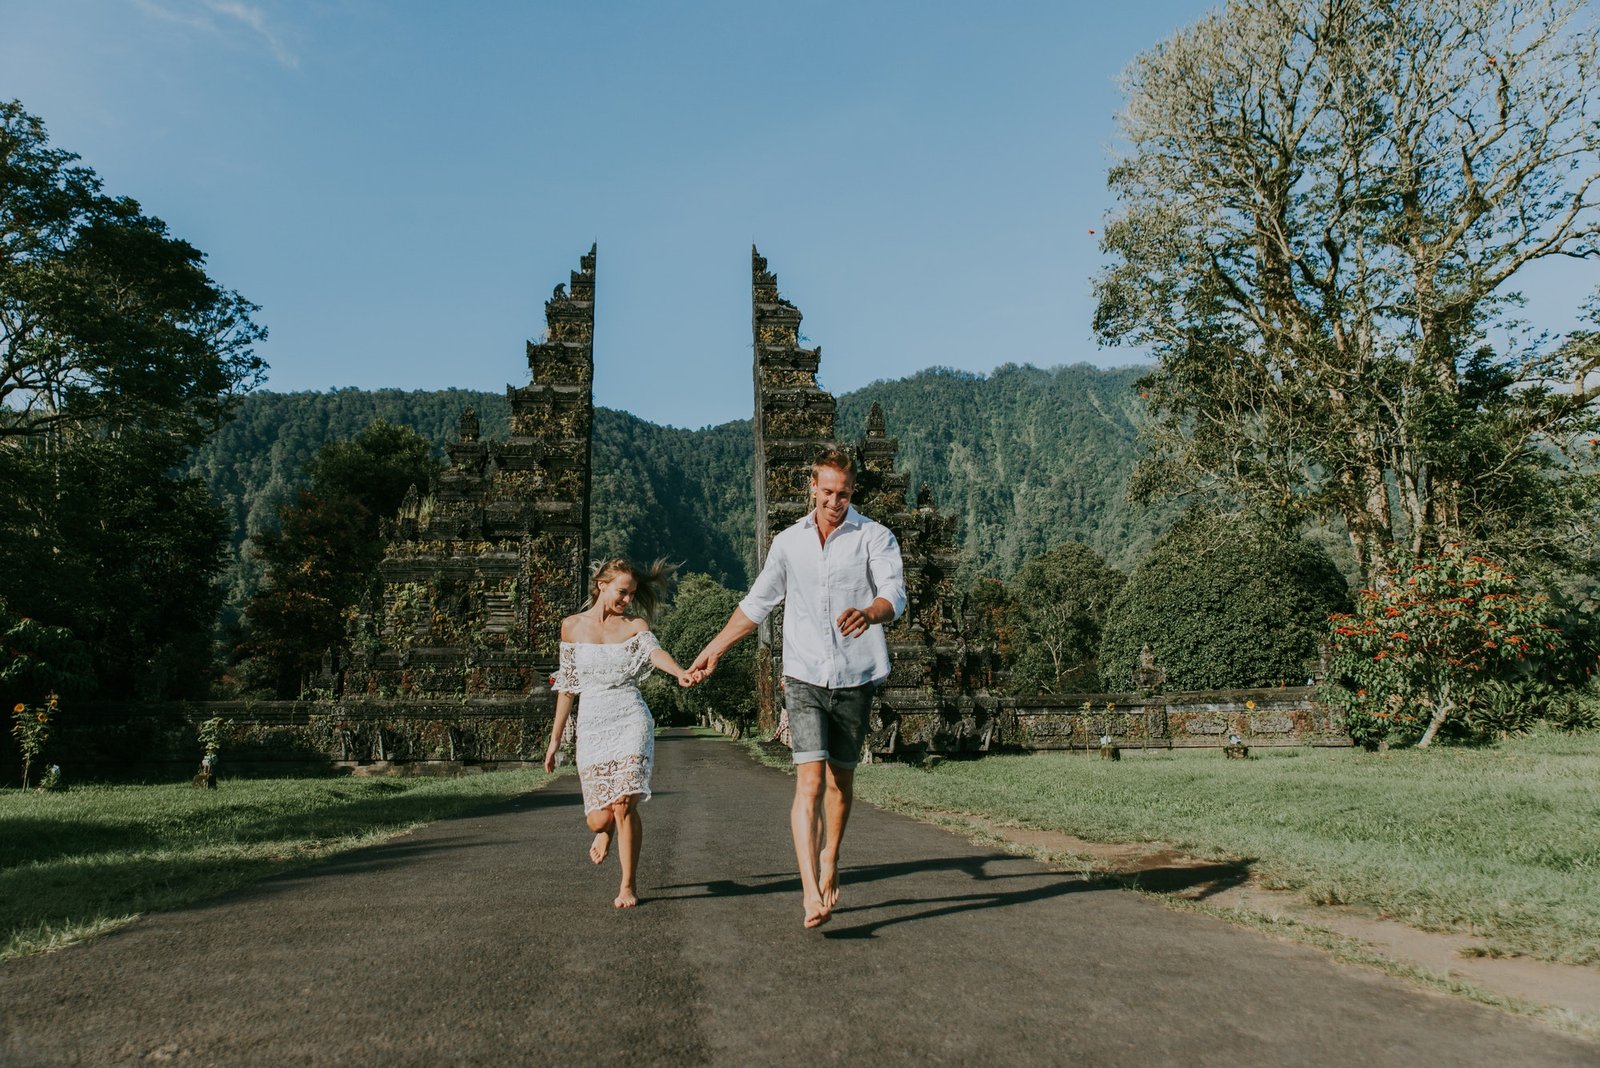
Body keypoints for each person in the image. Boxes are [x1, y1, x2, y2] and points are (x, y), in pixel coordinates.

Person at [690, 449, 905, 928]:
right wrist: (715, 648)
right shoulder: (789, 543)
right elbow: (758, 603)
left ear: (853, 493)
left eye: (843, 494)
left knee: (840, 783)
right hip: (804, 674)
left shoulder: (874, 536)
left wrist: (870, 612)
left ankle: (831, 856)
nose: (834, 502)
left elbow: (895, 593)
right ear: (812, 488)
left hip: (856, 674)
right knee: (809, 781)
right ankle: (810, 892)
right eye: (826, 492)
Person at [544, 558, 695, 909]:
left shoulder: (634, 625)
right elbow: (567, 688)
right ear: (602, 586)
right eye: (622, 592)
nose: (627, 600)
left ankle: (628, 884)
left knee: (625, 800)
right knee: (598, 817)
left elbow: (654, 652)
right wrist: (554, 741)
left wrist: (679, 672)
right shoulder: (571, 627)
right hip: (593, 724)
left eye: (631, 594)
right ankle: (605, 829)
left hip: (630, 717)